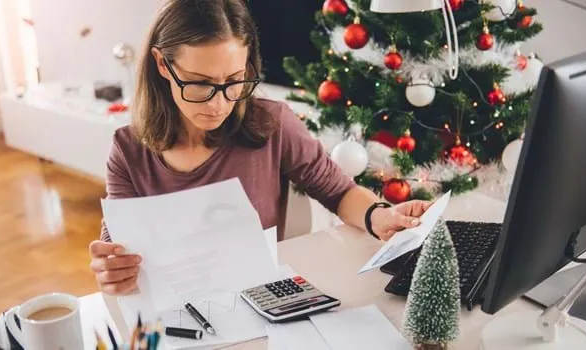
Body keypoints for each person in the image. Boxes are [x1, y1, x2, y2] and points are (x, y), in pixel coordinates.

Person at [89, 0, 432, 296]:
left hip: (261, 302)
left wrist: (380, 217)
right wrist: (113, 270)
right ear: (163, 65)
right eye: (201, 83)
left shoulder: (273, 124)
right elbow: (119, 249)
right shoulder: (128, 150)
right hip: (175, 311)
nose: (219, 104)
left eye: (234, 80)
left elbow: (339, 192)